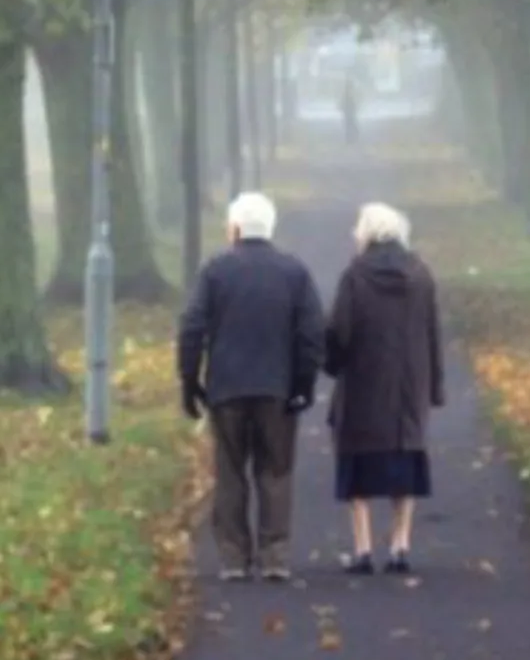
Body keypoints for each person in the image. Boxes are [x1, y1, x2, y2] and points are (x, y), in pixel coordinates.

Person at [176, 192, 326, 582]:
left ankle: (233, 558)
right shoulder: (294, 273)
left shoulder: (215, 271)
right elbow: (311, 333)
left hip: (226, 389)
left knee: (230, 471)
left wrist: (189, 382)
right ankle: (275, 555)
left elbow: (191, 328)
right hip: (277, 388)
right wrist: (303, 383)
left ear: (236, 229)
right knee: (275, 471)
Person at [323, 202, 444, 575]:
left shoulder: (354, 277)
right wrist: (434, 387)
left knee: (357, 466)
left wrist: (331, 362)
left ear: (366, 233)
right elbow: (432, 334)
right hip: (409, 387)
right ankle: (400, 544)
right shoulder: (421, 275)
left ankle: (362, 549)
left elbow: (339, 332)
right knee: (404, 461)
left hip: (363, 385)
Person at [338, 80, 360, 144]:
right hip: (349, 113)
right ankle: (350, 139)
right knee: (350, 126)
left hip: (348, 113)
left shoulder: (347, 94)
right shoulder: (348, 94)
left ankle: (350, 139)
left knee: (349, 126)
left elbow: (345, 103)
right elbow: (346, 103)